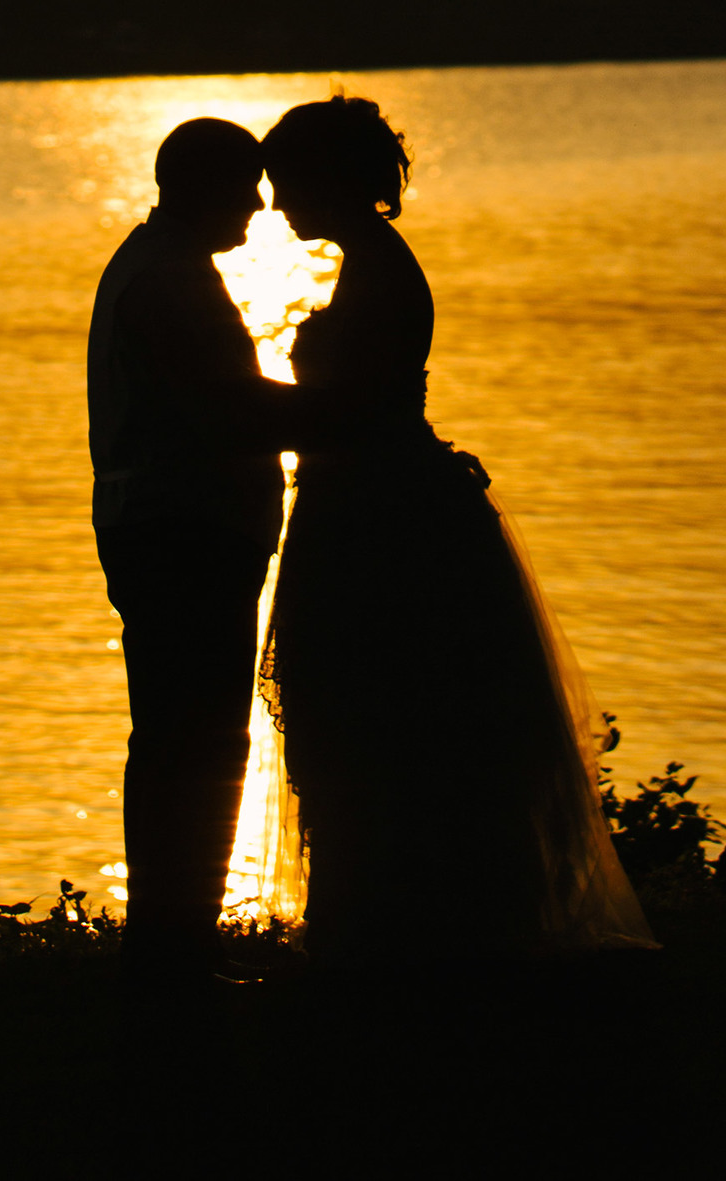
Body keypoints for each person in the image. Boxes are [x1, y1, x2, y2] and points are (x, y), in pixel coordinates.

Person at [256, 93, 652, 962]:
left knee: (382, 712)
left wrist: (225, 404)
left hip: (381, 515)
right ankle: (396, 915)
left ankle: (395, 920)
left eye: (287, 182)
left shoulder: (383, 275)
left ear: (335, 178)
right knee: (377, 716)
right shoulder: (372, 265)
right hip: (370, 498)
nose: (275, 204)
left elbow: (350, 411)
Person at [87, 114, 311, 980]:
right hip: (186, 536)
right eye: (246, 185)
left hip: (173, 531)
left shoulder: (153, 264)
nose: (260, 205)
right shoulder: (170, 280)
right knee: (202, 736)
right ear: (204, 186)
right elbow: (228, 406)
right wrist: (353, 411)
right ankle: (177, 939)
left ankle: (171, 932)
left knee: (178, 735)